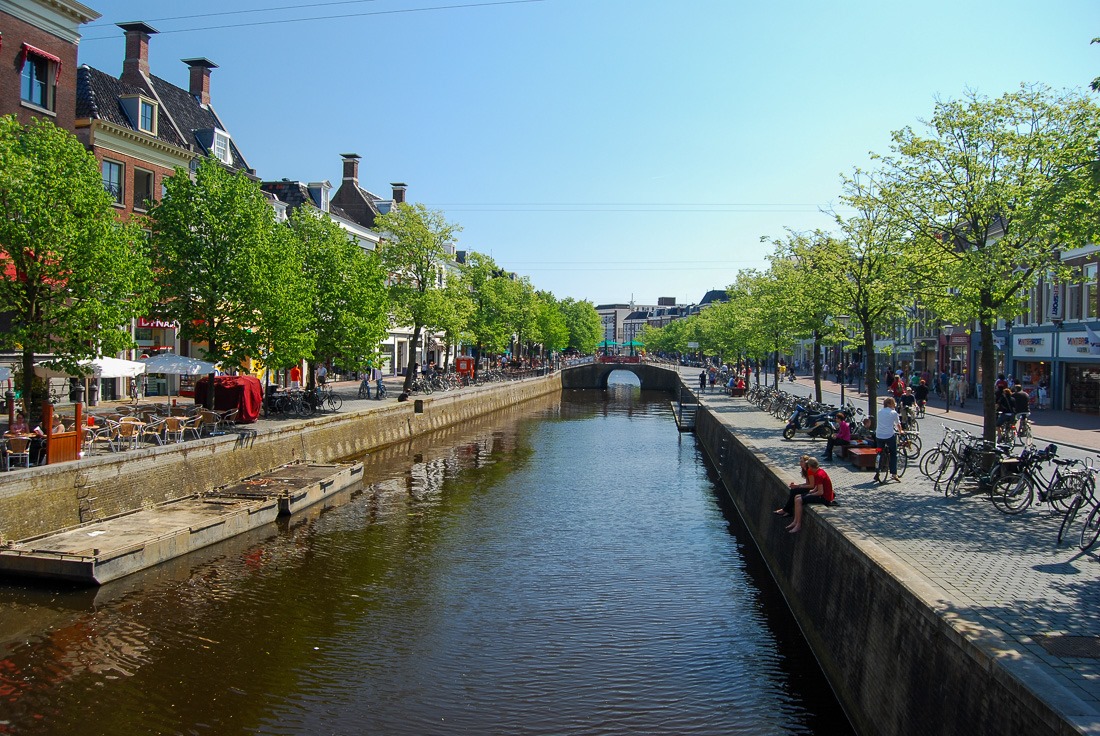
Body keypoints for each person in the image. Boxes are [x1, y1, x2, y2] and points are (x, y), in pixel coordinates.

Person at [775, 456, 834, 534]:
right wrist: (810, 492)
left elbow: (820, 492)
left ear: (810, 466)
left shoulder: (819, 475)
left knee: (799, 500)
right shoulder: (818, 472)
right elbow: (816, 487)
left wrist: (809, 494)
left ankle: (798, 525)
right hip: (820, 494)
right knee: (797, 496)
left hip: (824, 498)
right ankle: (795, 521)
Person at [874, 397, 903, 484]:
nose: (895, 405)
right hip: (889, 436)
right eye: (893, 403)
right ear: (889, 404)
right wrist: (901, 431)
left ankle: (877, 472)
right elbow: (898, 424)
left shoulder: (879, 412)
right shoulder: (893, 413)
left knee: (879, 452)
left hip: (879, 435)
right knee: (893, 453)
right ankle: (894, 473)